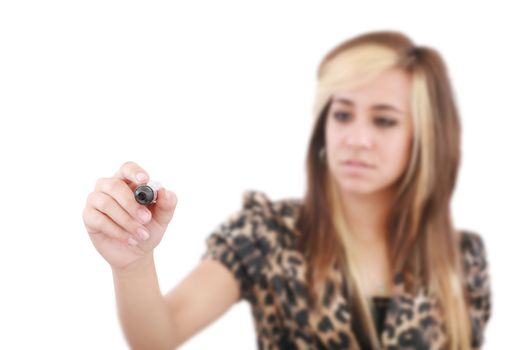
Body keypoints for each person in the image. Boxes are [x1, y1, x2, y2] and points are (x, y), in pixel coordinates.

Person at [82, 30, 491, 349]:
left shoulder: (461, 259)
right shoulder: (269, 233)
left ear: (423, 137)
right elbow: (159, 337)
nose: (357, 138)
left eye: (384, 120)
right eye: (343, 114)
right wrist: (132, 263)